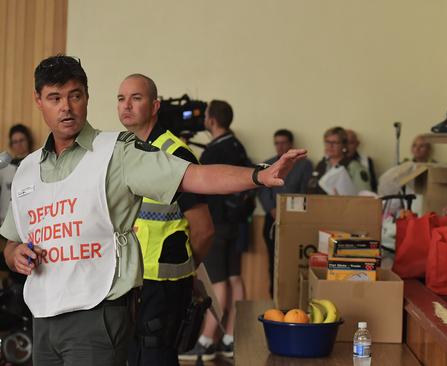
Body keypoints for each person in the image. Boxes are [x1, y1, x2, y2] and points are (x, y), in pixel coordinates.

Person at [0, 55, 305, 366]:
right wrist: (15, 255)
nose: (66, 107)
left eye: (74, 96)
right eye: (54, 98)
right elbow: (12, 241)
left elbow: (194, 176)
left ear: (87, 98)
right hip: (43, 318)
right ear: (38, 101)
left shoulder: (116, 153)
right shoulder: (27, 170)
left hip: (96, 317)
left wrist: (258, 175)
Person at [116, 74, 215, 366]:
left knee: (154, 356)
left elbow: (204, 230)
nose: (127, 106)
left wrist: (184, 273)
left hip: (163, 284)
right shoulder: (123, 151)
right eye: (121, 99)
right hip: (132, 280)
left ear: (155, 105)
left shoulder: (175, 155)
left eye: (136, 98)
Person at [179, 100, 252, 361]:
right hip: (237, 224)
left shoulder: (212, 153)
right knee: (234, 279)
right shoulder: (237, 146)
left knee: (218, 284)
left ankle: (207, 340)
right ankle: (231, 337)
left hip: (217, 225)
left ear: (211, 120)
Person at [258, 129, 312, 295]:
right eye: (277, 143)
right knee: (273, 262)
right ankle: (274, 296)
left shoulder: (304, 165)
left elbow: (305, 192)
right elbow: (262, 192)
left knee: (293, 262)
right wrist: (273, 210)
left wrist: (289, 215)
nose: (280, 146)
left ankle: (294, 296)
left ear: (291, 144)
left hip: (296, 221)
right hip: (272, 220)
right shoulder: (266, 164)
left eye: (283, 143)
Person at [306, 126, 371, 195]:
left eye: (335, 142)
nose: (330, 146)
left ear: (344, 145)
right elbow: (311, 187)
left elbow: (365, 195)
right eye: (327, 142)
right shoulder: (321, 164)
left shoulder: (354, 166)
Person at [0, 124, 35, 224]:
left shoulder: (36, 163)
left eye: (22, 140)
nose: (19, 144)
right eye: (15, 142)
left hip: (29, 221)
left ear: (28, 141)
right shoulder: (4, 167)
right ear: (11, 144)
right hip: (5, 222)